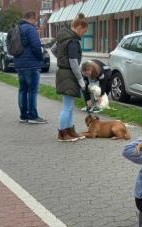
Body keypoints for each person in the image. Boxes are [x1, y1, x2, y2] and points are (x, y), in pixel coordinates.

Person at [55, 13, 88, 141]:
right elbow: (74, 63)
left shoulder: (63, 37)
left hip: (64, 72)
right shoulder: (73, 41)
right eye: (84, 31)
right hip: (69, 73)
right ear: (79, 27)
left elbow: (53, 50)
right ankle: (63, 134)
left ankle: (70, 131)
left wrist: (61, 59)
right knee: (67, 107)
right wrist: (81, 80)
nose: (83, 34)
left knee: (69, 106)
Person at [13, 11, 46, 124]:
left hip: (19, 63)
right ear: (32, 18)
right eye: (35, 20)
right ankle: (32, 116)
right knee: (32, 91)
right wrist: (40, 58)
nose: (35, 23)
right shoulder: (30, 29)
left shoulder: (17, 28)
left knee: (22, 90)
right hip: (31, 64)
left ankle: (23, 116)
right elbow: (36, 45)